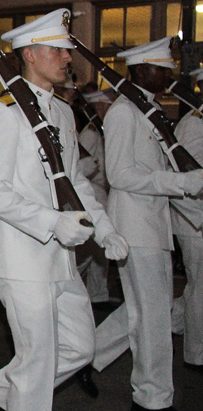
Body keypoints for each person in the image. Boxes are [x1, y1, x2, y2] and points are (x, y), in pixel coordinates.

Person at [0, 9, 128, 411]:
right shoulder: (3, 113)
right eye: (57, 49)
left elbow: (74, 179)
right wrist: (52, 222)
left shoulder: (60, 111)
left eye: (66, 48)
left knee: (79, 346)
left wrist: (105, 225)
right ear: (30, 55)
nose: (67, 56)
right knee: (38, 361)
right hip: (21, 253)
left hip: (62, 254)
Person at [92, 37, 203, 411]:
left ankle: (87, 359)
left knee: (142, 311)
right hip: (135, 226)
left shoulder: (146, 109)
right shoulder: (124, 113)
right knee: (153, 317)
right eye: (162, 67)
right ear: (139, 72)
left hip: (150, 224)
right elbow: (120, 174)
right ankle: (152, 399)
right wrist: (183, 183)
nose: (170, 73)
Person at [172, 66, 203, 376]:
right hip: (195, 218)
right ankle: (196, 354)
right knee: (200, 287)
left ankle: (171, 322)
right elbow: (188, 178)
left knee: (196, 287)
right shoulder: (193, 126)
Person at [76, 89, 117, 309]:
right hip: (92, 192)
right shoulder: (90, 133)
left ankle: (98, 294)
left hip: (101, 193)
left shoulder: (102, 129)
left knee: (100, 251)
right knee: (89, 248)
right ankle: (71, 284)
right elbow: (77, 167)